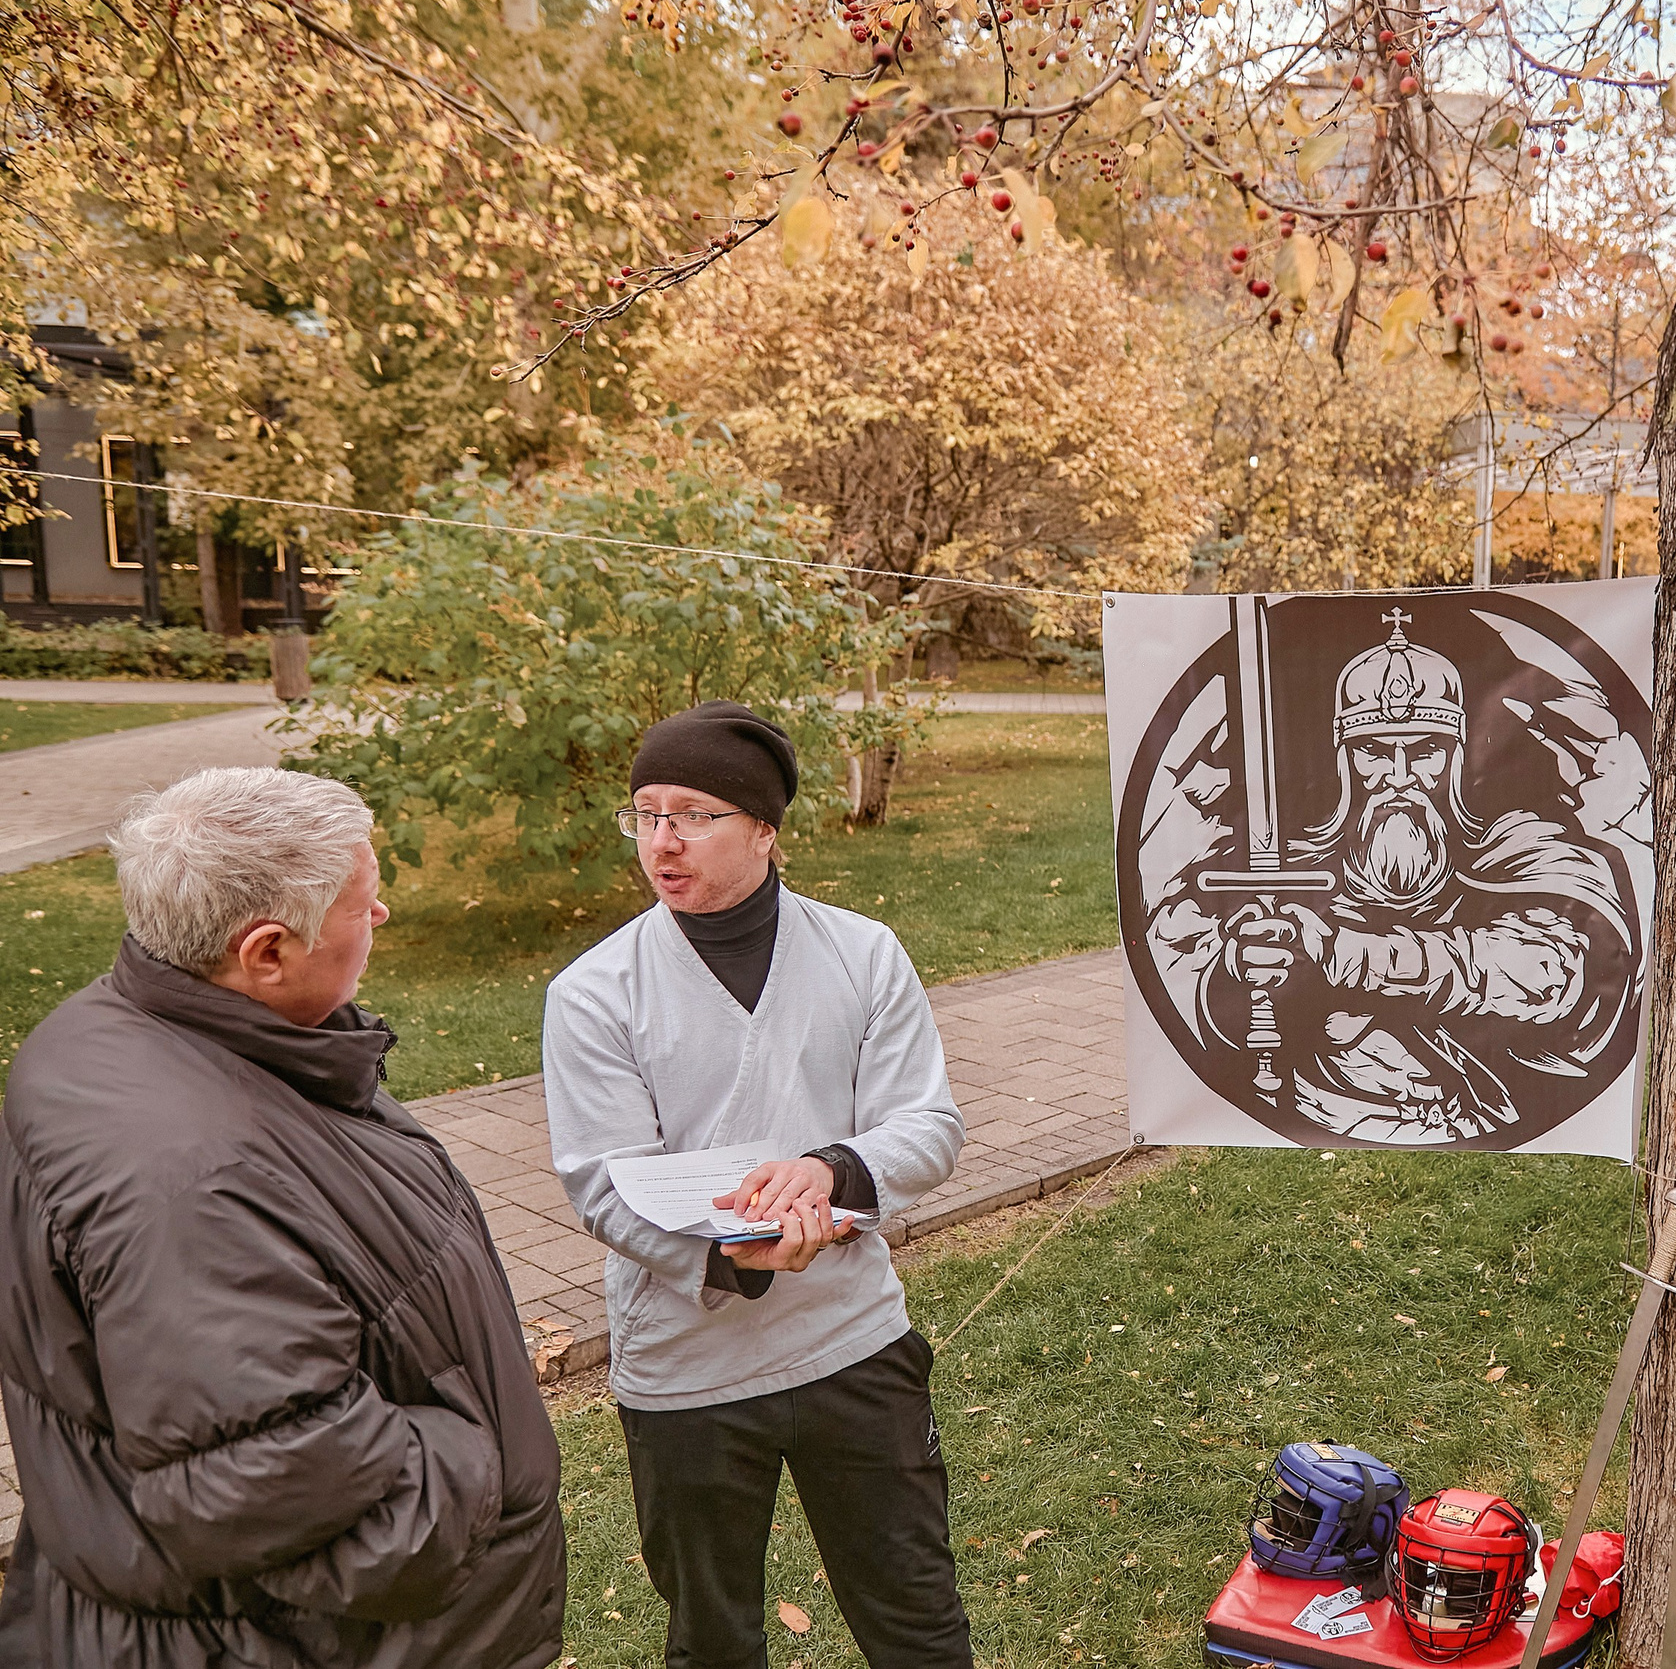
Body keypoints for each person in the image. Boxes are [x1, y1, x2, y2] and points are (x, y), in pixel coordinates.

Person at [0, 767, 566, 1668]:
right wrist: (481, 1475)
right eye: (363, 903)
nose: (379, 919)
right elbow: (270, 1482)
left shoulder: (116, 1032)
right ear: (266, 951)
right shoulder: (193, 1182)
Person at [544, 701, 970, 1669]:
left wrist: (832, 1167)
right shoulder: (594, 991)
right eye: (645, 813)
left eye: (695, 813)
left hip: (853, 1341)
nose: (663, 840)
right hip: (687, 1366)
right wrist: (739, 1251)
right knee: (714, 1637)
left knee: (916, 1615)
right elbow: (602, 1186)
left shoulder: (863, 954)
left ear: (768, 829)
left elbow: (928, 1125)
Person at [1152, 611, 1641, 1143]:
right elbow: (1197, 988)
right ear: (1345, 760)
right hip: (1318, 1112)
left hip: (1473, 1116)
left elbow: (1548, 970)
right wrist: (1242, 966)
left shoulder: (1523, 846)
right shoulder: (1286, 866)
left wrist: (1345, 952)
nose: (1401, 776)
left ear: (1456, 756)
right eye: (1376, 752)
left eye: (1425, 751)